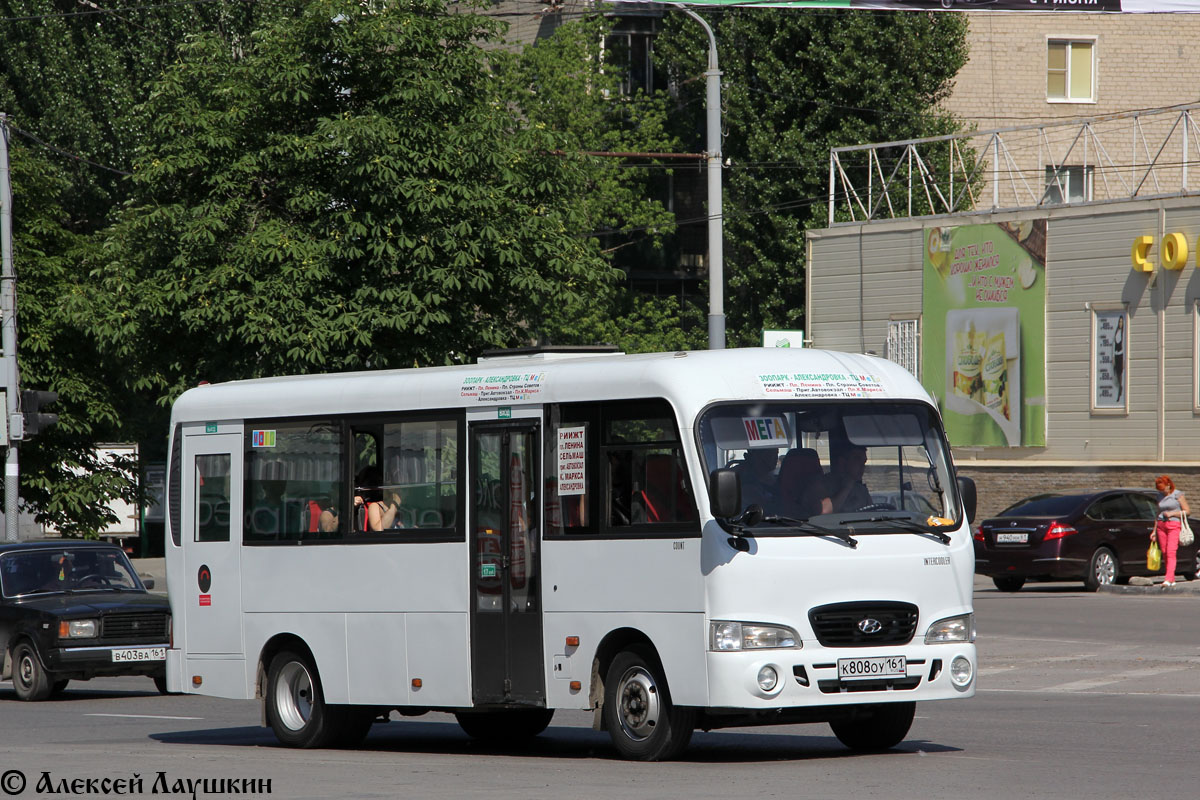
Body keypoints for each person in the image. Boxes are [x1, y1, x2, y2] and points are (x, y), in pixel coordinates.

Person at [807, 444, 872, 514]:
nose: (862, 466)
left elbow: (873, 516)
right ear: (842, 462)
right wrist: (846, 488)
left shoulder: (861, 491)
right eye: (857, 460)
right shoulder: (821, 485)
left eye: (864, 462)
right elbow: (823, 511)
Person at [1154, 475, 1189, 588]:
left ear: (1168, 485)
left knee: (1171, 551)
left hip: (1174, 525)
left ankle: (1168, 578)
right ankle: (1172, 578)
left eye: (1162, 488)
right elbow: (1157, 513)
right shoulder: (1159, 496)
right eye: (1159, 489)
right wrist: (1154, 531)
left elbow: (1187, 511)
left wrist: (1173, 514)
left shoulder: (1178, 495)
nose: (1161, 491)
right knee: (1164, 552)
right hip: (1161, 525)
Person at [733, 447, 779, 513]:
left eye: (776, 453)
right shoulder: (741, 476)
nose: (775, 458)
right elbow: (766, 508)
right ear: (756, 456)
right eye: (770, 454)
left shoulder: (776, 477)